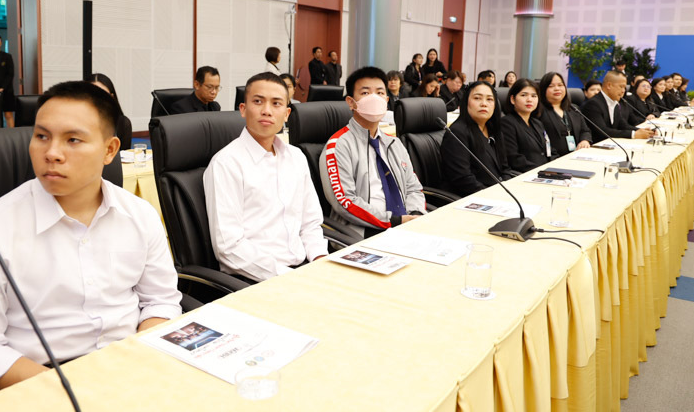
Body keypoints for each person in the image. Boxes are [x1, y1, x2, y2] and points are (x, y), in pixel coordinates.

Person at [0, 81, 182, 394]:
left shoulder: (139, 215)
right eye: (42, 136)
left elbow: (160, 301)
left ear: (110, 150)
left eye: (73, 140)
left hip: (131, 366)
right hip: (41, 383)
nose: (51, 153)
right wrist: (74, 391)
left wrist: (140, 361)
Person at [204, 72, 328, 282]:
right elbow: (229, 247)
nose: (267, 111)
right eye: (258, 101)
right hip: (254, 278)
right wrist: (289, 277)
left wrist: (320, 259)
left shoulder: (296, 157)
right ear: (243, 109)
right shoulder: (226, 164)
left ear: (287, 114)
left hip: (303, 269)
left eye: (276, 103)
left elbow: (310, 223)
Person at [321, 67, 426, 237]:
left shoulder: (394, 143)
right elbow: (344, 201)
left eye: (379, 93)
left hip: (405, 225)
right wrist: (394, 221)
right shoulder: (339, 146)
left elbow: (413, 188)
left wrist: (416, 215)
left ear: (386, 100)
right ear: (350, 102)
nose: (374, 98)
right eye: (365, 93)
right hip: (362, 231)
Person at [440, 81, 517, 196]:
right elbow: (463, 180)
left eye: (489, 99)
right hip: (471, 198)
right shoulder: (457, 133)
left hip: (497, 193)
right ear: (466, 102)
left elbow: (505, 168)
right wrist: (493, 195)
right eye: (477, 98)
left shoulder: (494, 130)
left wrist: (507, 188)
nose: (484, 104)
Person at [580, 71, 655, 142]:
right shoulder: (593, 104)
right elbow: (603, 131)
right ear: (609, 85)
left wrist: (643, 131)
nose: (623, 91)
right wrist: (634, 134)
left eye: (624, 88)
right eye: (621, 87)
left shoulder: (614, 103)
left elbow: (623, 125)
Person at [501, 79, 551, 172]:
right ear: (512, 99)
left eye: (534, 96)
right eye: (524, 95)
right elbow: (513, 158)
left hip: (545, 172)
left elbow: (549, 149)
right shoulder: (507, 123)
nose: (529, 100)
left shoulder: (538, 123)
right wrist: (542, 171)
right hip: (527, 174)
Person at [538, 72, 592, 157]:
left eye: (560, 85)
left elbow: (585, 131)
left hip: (577, 155)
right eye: (551, 86)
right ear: (543, 89)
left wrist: (585, 140)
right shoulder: (538, 111)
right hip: (554, 158)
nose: (557, 89)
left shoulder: (573, 109)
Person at [87, 73, 133, 150]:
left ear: (111, 97)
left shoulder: (122, 123)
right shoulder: (74, 122)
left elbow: (125, 155)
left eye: (103, 94)